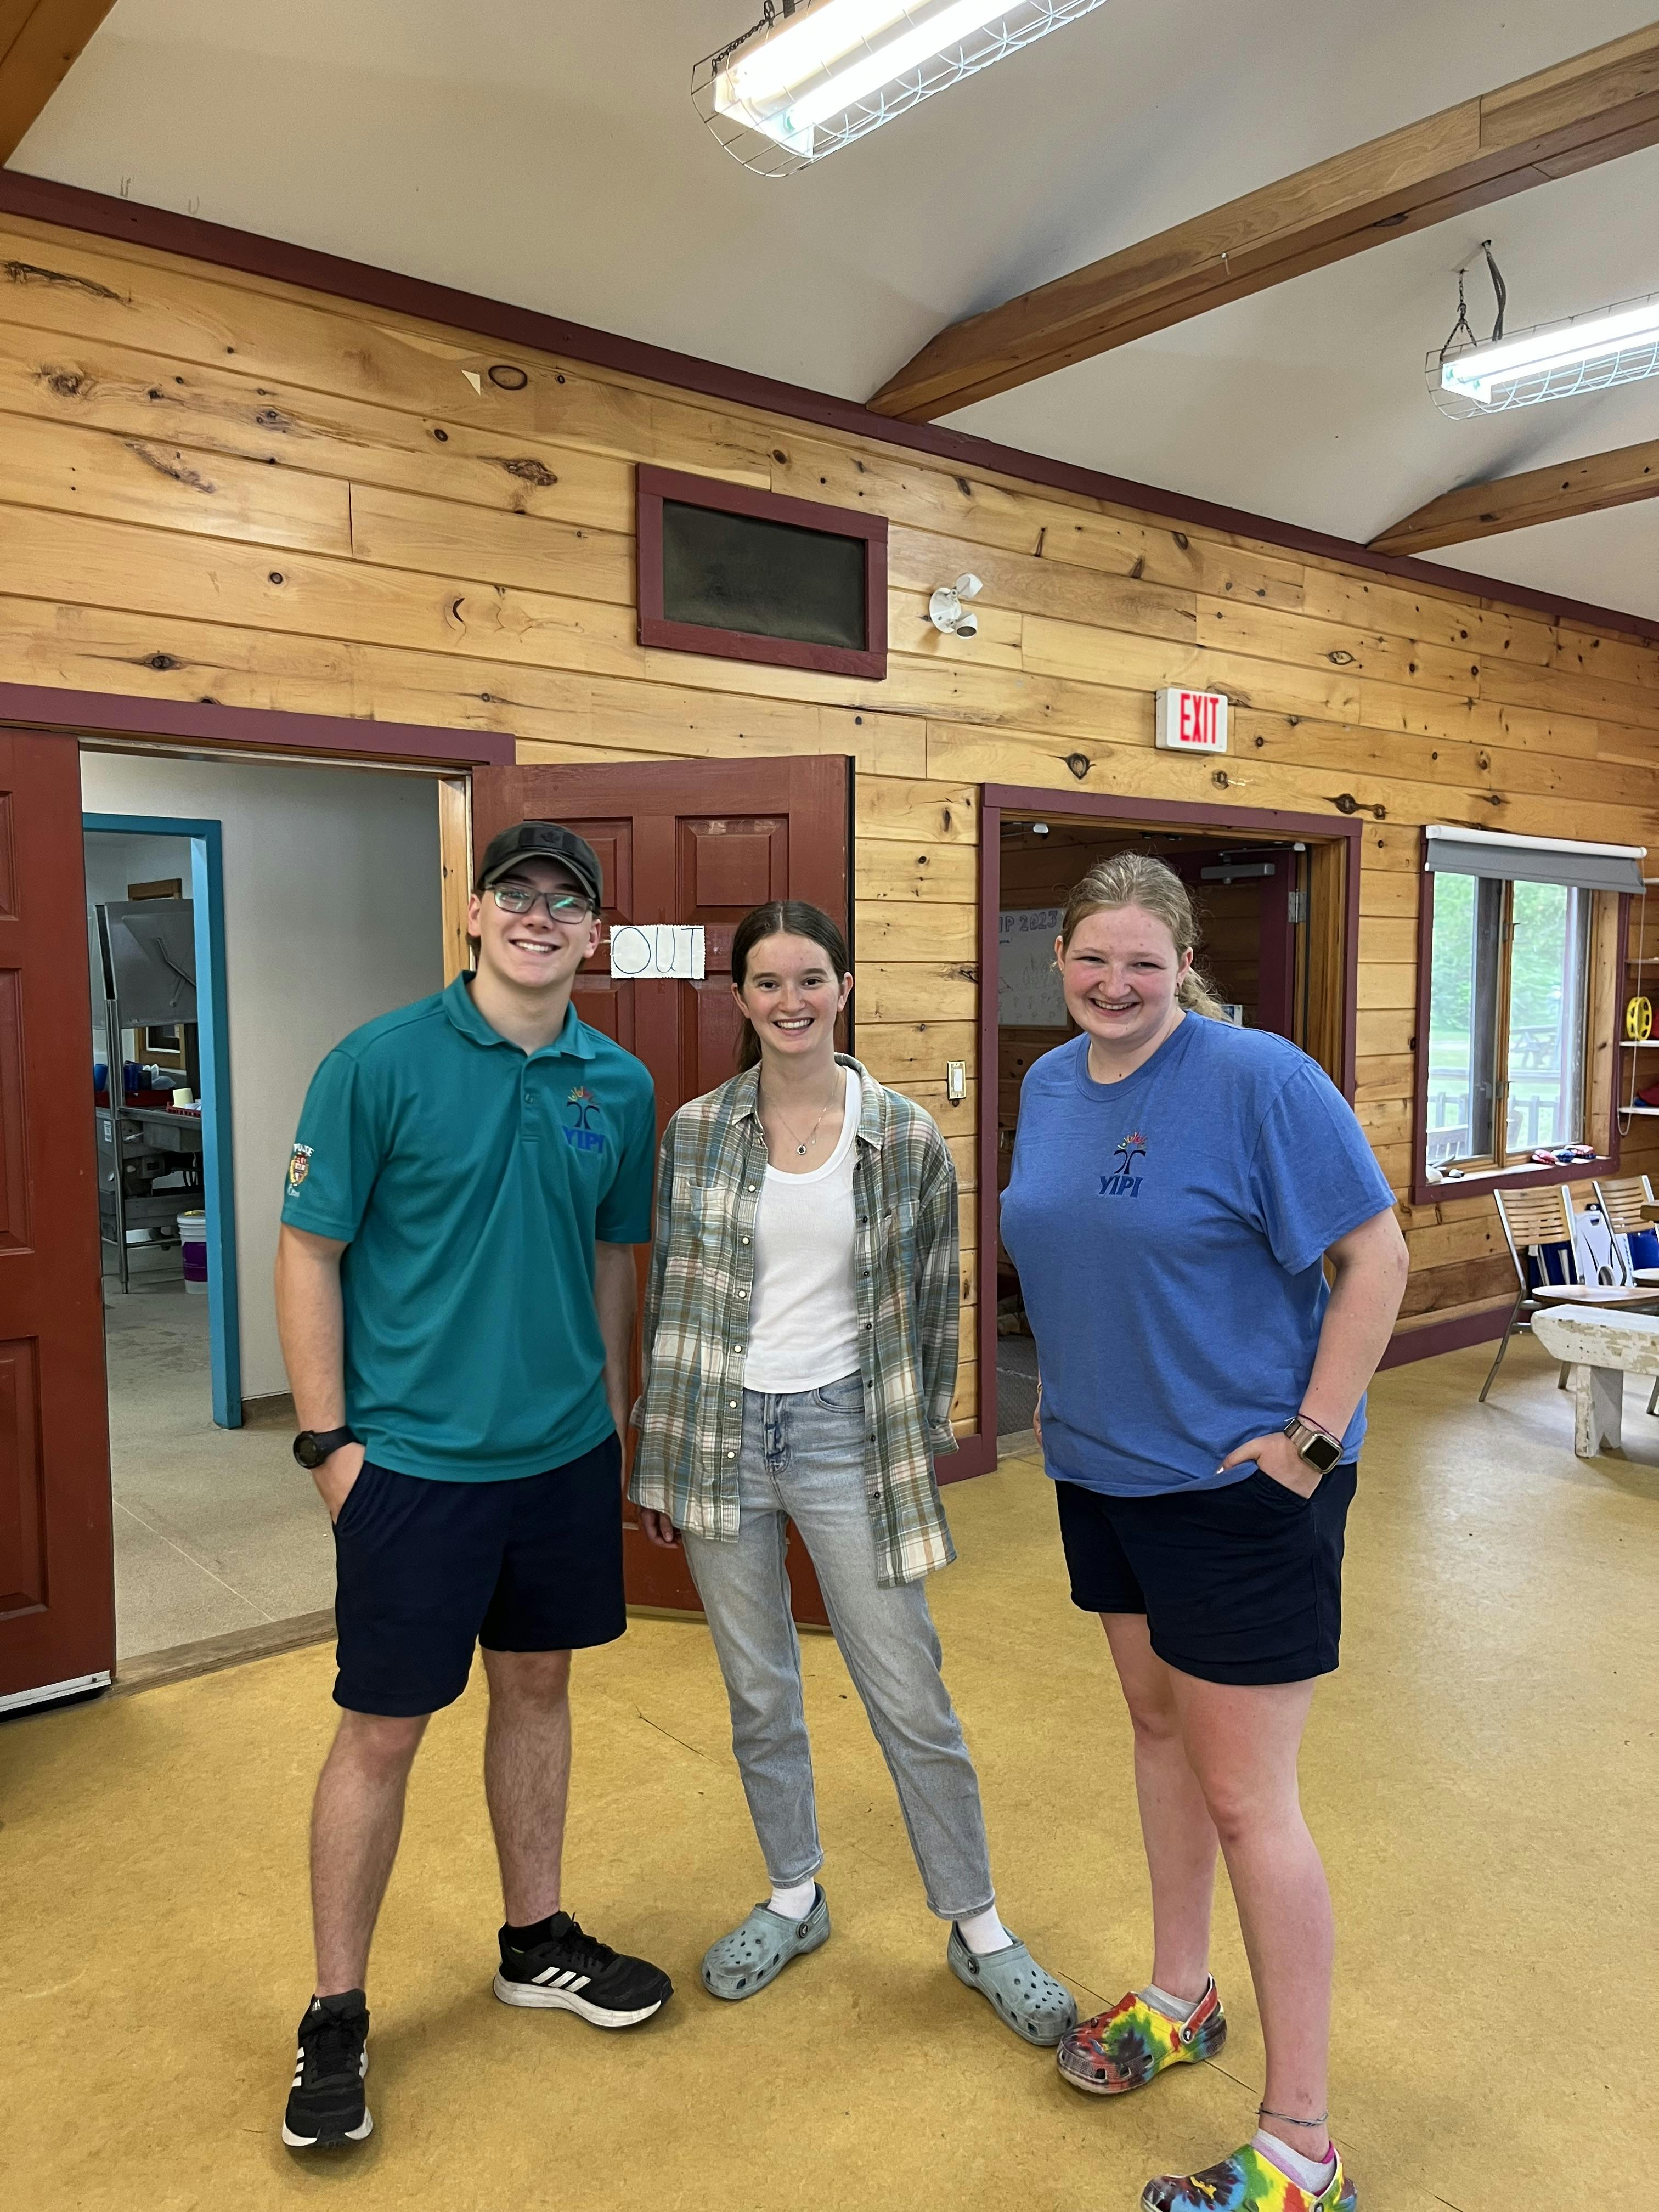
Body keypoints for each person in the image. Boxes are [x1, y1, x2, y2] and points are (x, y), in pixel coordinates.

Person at [1000, 853, 1408, 2212]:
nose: (1113, 984)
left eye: (1141, 961)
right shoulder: (1052, 1086)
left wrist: (1307, 1440)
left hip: (1239, 1487)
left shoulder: (1259, 1079)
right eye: (1089, 961)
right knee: (1159, 1731)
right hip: (1103, 1474)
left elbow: (1378, 1258)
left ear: (1181, 963)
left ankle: (1302, 2146)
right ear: (1058, 960)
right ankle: (1182, 1996)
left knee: (1251, 1799)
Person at [273, 819, 673, 2152]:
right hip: (412, 1469)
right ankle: (336, 2010)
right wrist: (330, 1448)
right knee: (382, 1732)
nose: (541, 916)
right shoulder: (376, 1064)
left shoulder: (615, 1084)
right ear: (475, 914)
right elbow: (307, 1251)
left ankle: (534, 1937)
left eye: (569, 901)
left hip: (558, 1460)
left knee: (540, 1687)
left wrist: (615, 1423)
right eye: (519, 894)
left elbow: (618, 1264)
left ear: (596, 932)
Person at [629, 900, 1075, 2045]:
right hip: (721, 1433)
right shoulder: (694, 1133)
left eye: (811, 980)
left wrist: (902, 1446)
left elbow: (935, 1311)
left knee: (908, 1692)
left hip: (845, 1436)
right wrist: (663, 1452)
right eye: (768, 983)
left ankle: (977, 1927)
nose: (791, 1002)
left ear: (842, 990)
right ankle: (794, 1895)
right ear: (739, 1000)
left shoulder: (908, 1138)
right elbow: (673, 1295)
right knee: (760, 1688)